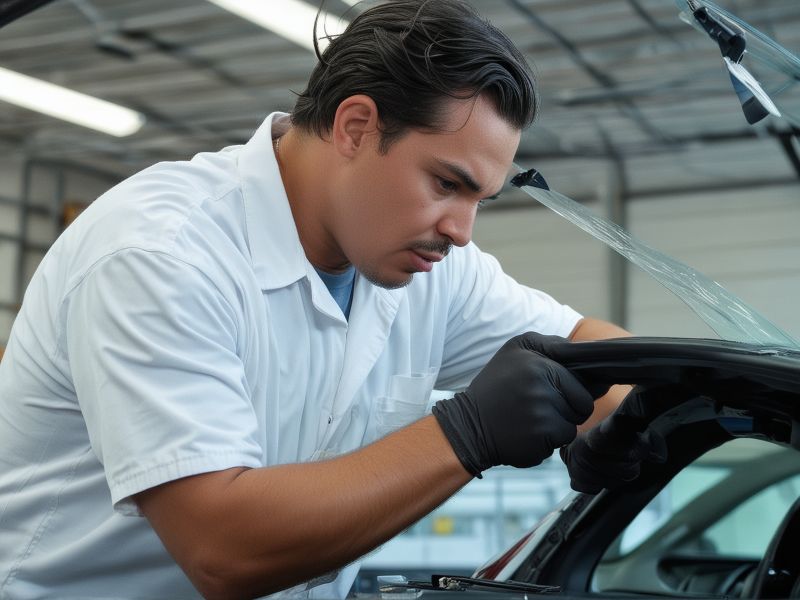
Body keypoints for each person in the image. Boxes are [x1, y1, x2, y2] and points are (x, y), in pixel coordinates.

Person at [0, 1, 643, 598]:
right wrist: (466, 432)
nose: (461, 230)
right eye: (447, 183)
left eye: (479, 201)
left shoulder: (428, 266)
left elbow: (590, 350)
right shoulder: (161, 255)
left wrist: (639, 413)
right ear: (356, 127)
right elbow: (222, 549)